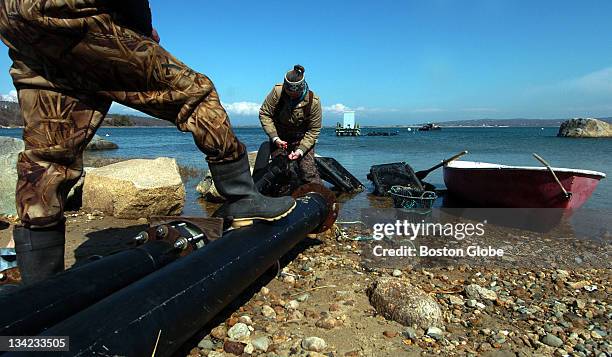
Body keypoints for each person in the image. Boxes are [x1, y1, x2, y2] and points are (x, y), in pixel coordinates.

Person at [0, 0, 295, 285]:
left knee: (50, 154)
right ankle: (241, 195)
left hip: (15, 17)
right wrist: (140, 27)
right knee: (195, 95)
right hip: (68, 11)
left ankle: (40, 285)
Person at [259, 65, 323, 185]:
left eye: (295, 93)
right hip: (280, 138)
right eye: (289, 92)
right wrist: (275, 138)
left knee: (308, 172)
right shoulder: (277, 92)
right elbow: (265, 114)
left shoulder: (313, 101)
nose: (291, 96)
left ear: (302, 87)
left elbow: (314, 130)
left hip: (302, 138)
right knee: (281, 170)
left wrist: (300, 150)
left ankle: (320, 196)